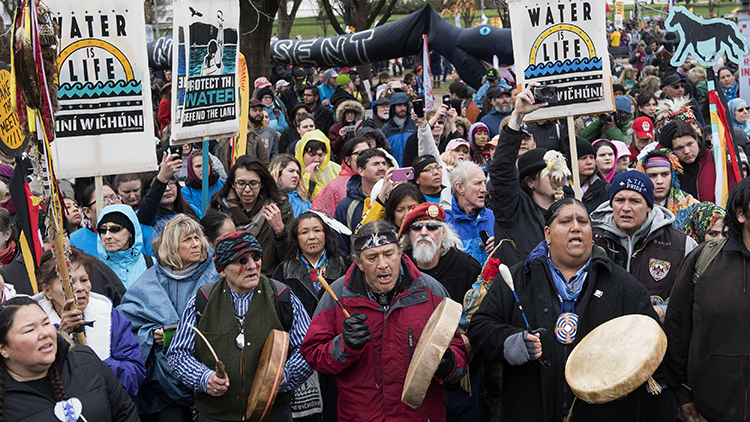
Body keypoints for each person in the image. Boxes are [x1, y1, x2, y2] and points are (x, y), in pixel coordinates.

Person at [468, 198, 659, 422]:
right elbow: (479, 328)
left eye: (583, 222)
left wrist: (620, 373)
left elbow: (649, 340)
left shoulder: (624, 286)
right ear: (547, 234)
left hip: (603, 413)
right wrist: (511, 343)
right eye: (566, 221)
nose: (576, 227)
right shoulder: (517, 280)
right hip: (530, 409)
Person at [300, 220, 468, 422]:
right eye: (372, 257)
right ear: (358, 262)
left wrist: (448, 364)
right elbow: (312, 354)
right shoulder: (337, 295)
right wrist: (344, 345)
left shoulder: (431, 291)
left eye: (389, 254)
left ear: (401, 253)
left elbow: (459, 355)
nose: (382, 264)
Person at [167, 231, 313, 422]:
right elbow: (177, 353)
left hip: (272, 415)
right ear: (222, 270)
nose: (253, 266)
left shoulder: (282, 296)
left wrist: (283, 376)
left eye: (256, 257)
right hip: (215, 416)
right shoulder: (202, 300)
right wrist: (204, 378)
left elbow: (308, 349)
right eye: (241, 261)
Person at [117, 215, 220, 421]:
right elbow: (125, 328)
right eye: (187, 240)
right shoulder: (149, 280)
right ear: (172, 247)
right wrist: (150, 335)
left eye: (197, 238)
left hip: (212, 376)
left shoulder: (216, 274)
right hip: (161, 389)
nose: (196, 244)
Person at [664, 177, 750, 422]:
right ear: (741, 213)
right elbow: (677, 328)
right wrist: (682, 393)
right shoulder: (704, 260)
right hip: (709, 410)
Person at [0, 296, 140, 421]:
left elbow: (126, 413)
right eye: (30, 330)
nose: (44, 333)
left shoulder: (86, 361)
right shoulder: (6, 401)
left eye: (46, 323)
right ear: (3, 348)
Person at [33, 248, 145, 398]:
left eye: (84, 280)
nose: (80, 288)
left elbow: (134, 372)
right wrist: (62, 336)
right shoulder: (32, 325)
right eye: (69, 282)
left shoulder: (109, 316)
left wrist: (96, 364)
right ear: (47, 291)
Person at [591, 171, 697, 323]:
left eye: (635, 201)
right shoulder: (591, 239)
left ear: (649, 206)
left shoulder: (681, 244)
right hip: (602, 335)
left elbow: (693, 293)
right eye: (619, 200)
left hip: (655, 337)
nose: (626, 208)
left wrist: (664, 311)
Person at [489, 84, 551, 267]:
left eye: (558, 171)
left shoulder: (568, 207)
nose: (556, 177)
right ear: (531, 182)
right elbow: (501, 171)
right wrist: (518, 115)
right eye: (548, 173)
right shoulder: (514, 210)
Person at [657, 119, 738, 204]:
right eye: (679, 148)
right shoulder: (668, 165)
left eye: (690, 144)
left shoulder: (718, 162)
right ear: (672, 150)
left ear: (697, 139)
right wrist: (660, 148)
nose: (687, 151)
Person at [446, 161, 495, 264]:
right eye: (478, 183)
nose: (484, 189)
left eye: (484, 183)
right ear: (460, 188)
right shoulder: (444, 222)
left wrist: (499, 247)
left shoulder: (493, 216)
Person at [636, 149, 699, 226]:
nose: (659, 181)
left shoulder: (691, 205)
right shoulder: (632, 205)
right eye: (652, 175)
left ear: (672, 176)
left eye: (665, 174)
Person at [96, 204, 152, 290]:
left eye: (114, 229)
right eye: (102, 230)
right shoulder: (95, 269)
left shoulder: (152, 264)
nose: (107, 236)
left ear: (131, 232)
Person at [311, 137, 370, 217]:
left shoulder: (380, 181)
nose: (366, 157)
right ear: (348, 160)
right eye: (359, 153)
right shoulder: (335, 186)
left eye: (369, 152)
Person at [71, 183, 123, 256]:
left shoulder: (135, 232)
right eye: (103, 200)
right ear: (87, 212)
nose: (111, 202)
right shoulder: (74, 240)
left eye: (114, 197)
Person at [563, 137, 611, 214]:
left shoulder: (604, 189)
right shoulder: (560, 189)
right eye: (583, 158)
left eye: (592, 157)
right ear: (571, 164)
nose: (589, 162)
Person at [294, 129, 341, 202]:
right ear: (302, 154)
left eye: (320, 155)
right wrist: (308, 179)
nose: (316, 159)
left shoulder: (336, 169)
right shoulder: (293, 172)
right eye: (311, 155)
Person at [181, 149, 226, 215]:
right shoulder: (186, 193)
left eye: (205, 165)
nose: (202, 169)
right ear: (191, 169)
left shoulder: (223, 184)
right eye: (198, 166)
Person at [380, 92, 417, 166]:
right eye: (399, 105)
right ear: (393, 107)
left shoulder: (415, 125)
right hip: (394, 171)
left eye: (404, 105)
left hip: (414, 170)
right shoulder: (385, 129)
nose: (402, 108)